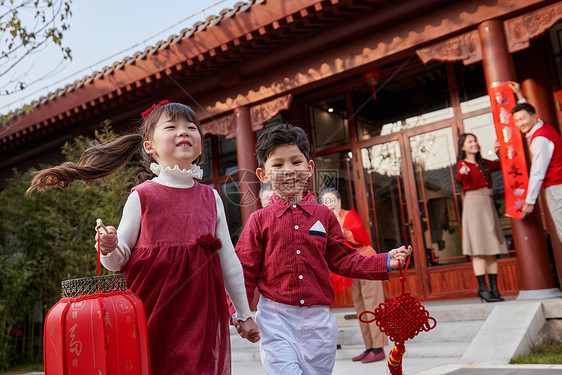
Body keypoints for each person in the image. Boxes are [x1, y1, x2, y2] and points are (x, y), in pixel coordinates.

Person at [27, 100, 260, 374]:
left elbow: (228, 260)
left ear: (200, 144)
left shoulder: (211, 197)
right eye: (171, 127)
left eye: (191, 127)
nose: (183, 132)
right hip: (150, 309)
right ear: (150, 147)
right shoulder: (143, 195)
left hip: (201, 311)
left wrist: (242, 313)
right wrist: (110, 246)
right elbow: (117, 261)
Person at [229, 123, 412, 374]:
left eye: (296, 162)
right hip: (275, 318)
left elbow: (344, 260)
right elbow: (244, 271)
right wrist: (241, 314)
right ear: (263, 175)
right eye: (278, 165)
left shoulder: (324, 216)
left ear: (310, 167)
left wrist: (385, 261)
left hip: (319, 320)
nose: (288, 170)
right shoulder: (259, 221)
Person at [319, 188, 388, 363]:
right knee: (360, 307)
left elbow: (363, 239)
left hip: (367, 262)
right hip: (352, 267)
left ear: (339, 201)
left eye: (332, 200)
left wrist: (342, 231)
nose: (329, 204)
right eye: (325, 201)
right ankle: (369, 347)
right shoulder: (323, 221)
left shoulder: (349, 215)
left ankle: (379, 348)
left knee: (373, 305)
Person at [456, 133, 507, 303]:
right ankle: (483, 290)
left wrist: (499, 151)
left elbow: (501, 165)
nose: (474, 143)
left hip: (488, 203)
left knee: (491, 248)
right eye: (470, 141)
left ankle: (494, 289)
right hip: (474, 205)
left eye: (475, 140)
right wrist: (463, 173)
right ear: (463, 146)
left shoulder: (484, 163)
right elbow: (460, 177)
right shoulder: (462, 164)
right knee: (478, 248)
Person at [511, 99, 562, 243]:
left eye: (523, 119)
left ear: (534, 116)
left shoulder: (539, 138)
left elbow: (538, 172)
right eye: (517, 120)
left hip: (556, 189)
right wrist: (520, 96)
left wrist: (529, 201)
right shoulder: (546, 128)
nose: (520, 123)